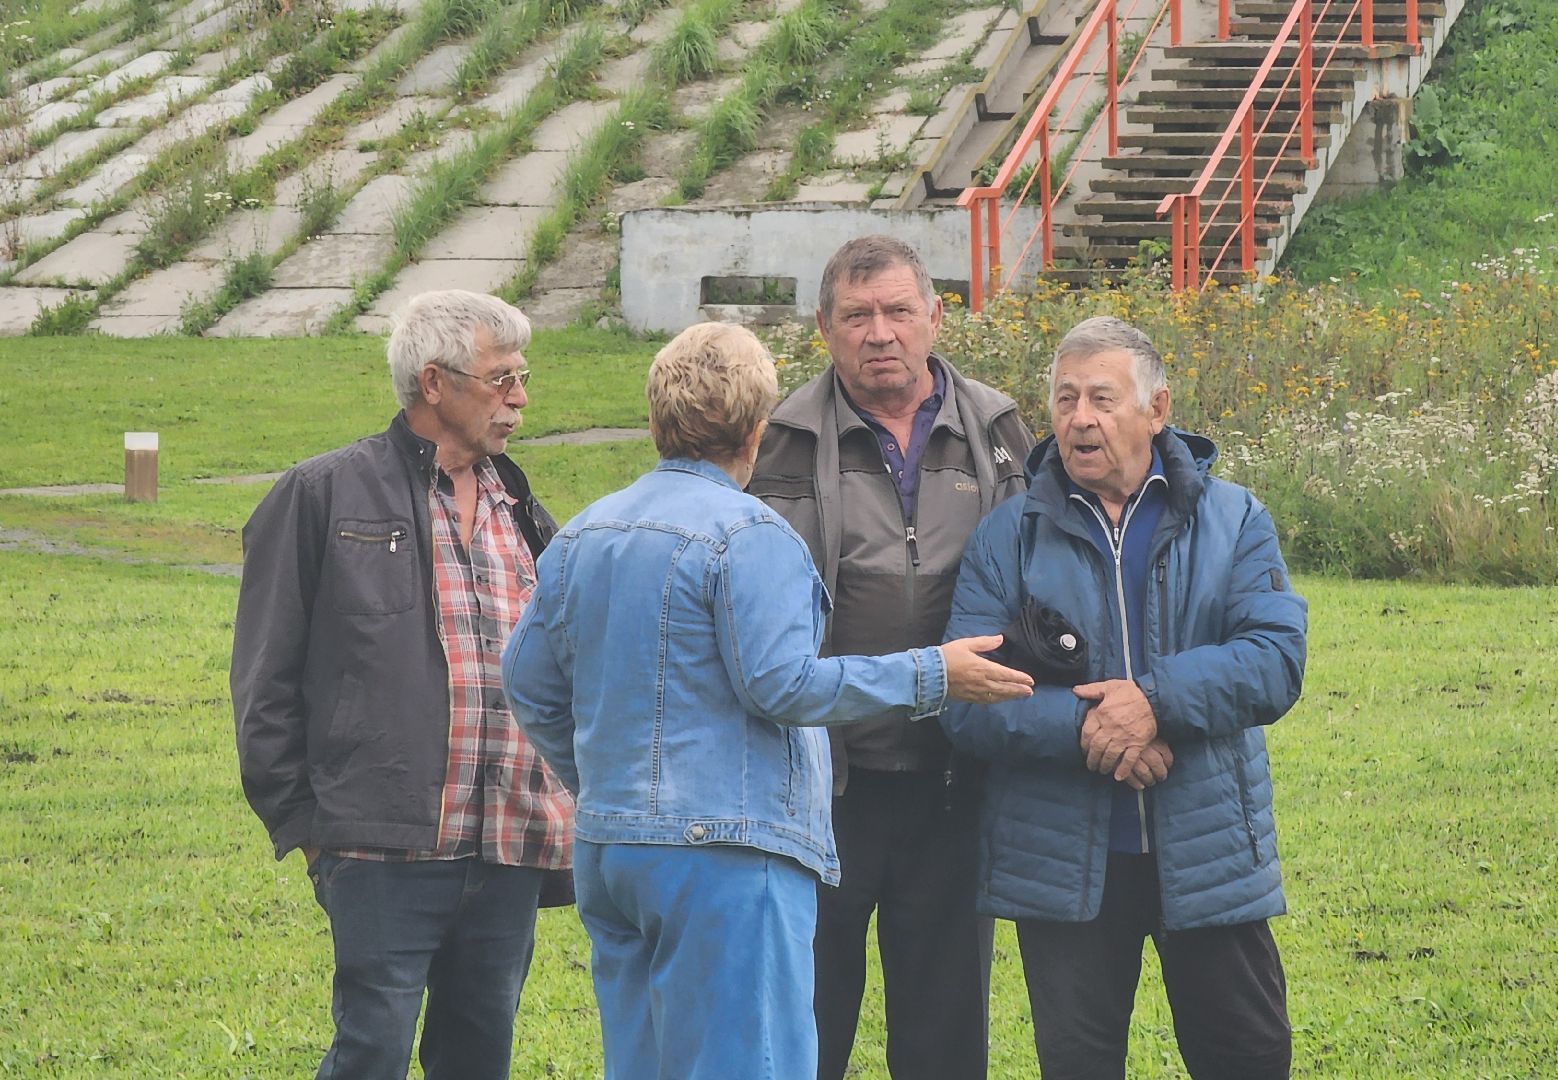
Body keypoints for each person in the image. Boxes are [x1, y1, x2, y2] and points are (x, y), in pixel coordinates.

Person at [499, 321, 1033, 1080]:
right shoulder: (753, 534)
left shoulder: (583, 532)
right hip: (727, 853)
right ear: (759, 427)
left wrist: (599, 780)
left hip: (612, 850)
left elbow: (526, 680)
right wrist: (932, 673)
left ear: (655, 420)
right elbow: (782, 684)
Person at [941, 315, 1309, 1080]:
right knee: (1078, 1065)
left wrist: (1154, 702)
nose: (1080, 419)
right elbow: (965, 700)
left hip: (1208, 854)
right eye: (1066, 399)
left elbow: (1275, 658)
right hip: (1068, 864)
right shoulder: (1007, 538)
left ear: (1158, 409)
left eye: (1103, 399)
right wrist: (1091, 728)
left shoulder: (1234, 519)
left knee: (1248, 1057)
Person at [230, 290, 575, 1080]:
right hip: (378, 846)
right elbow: (264, 679)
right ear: (433, 383)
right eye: (502, 378)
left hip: (506, 846)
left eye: (523, 377)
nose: (519, 397)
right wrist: (307, 827)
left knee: (479, 1059)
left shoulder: (523, 508)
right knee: (371, 1054)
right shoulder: (321, 495)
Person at [749, 235, 1036, 1080]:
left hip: (955, 779)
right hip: (819, 782)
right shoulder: (781, 441)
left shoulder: (998, 428)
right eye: (858, 315)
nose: (881, 333)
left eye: (899, 312)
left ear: (936, 318)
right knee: (807, 1025)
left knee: (945, 1033)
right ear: (823, 329)